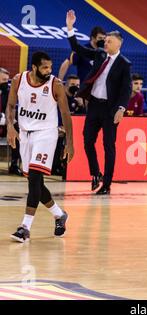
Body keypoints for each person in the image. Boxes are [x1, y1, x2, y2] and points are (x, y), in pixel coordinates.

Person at [6, 51, 74, 242]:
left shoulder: (56, 85)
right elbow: (10, 106)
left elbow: (66, 114)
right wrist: (11, 127)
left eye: (50, 67)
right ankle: (59, 215)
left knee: (35, 177)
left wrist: (70, 142)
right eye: (45, 67)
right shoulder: (19, 80)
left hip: (46, 134)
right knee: (36, 183)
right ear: (34, 67)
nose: (49, 70)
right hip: (25, 134)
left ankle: (25, 227)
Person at [66, 10, 131, 195]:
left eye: (109, 41)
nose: (105, 43)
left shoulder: (124, 64)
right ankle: (95, 173)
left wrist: (121, 108)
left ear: (119, 43)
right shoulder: (100, 55)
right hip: (94, 105)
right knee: (87, 141)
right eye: (105, 41)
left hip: (110, 110)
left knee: (108, 146)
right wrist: (70, 28)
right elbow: (79, 50)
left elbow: (126, 89)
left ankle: (107, 185)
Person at [0, 67, 22, 175]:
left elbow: (12, 108)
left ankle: (14, 164)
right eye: (4, 80)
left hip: (5, 125)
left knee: (17, 131)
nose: (6, 83)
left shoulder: (9, 92)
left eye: (7, 80)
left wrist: (10, 122)